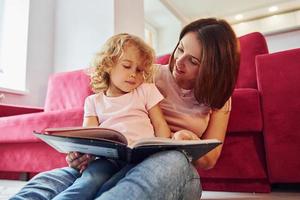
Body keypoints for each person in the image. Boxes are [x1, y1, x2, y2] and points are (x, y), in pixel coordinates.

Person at [11, 17, 240, 200]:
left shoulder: (218, 98)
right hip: (120, 158)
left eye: (193, 61)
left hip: (174, 168)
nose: (178, 61)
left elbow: (209, 160)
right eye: (180, 49)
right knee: (68, 177)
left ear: (212, 69)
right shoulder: (147, 74)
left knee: (171, 159)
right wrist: (82, 154)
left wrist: (187, 140)